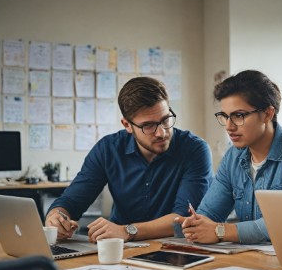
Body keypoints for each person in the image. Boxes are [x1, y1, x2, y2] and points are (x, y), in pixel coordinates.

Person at [46, 77, 212, 242]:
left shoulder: (195, 150)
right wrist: (57, 217)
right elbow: (71, 202)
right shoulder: (107, 150)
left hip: (173, 246)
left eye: (165, 119)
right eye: (148, 125)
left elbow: (183, 219)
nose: (161, 132)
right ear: (127, 125)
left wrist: (128, 231)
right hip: (119, 247)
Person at [176, 70, 282, 244]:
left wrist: (220, 230)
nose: (229, 126)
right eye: (225, 116)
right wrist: (195, 226)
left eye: (239, 115)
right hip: (255, 260)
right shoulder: (233, 157)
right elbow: (208, 214)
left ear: (267, 114)